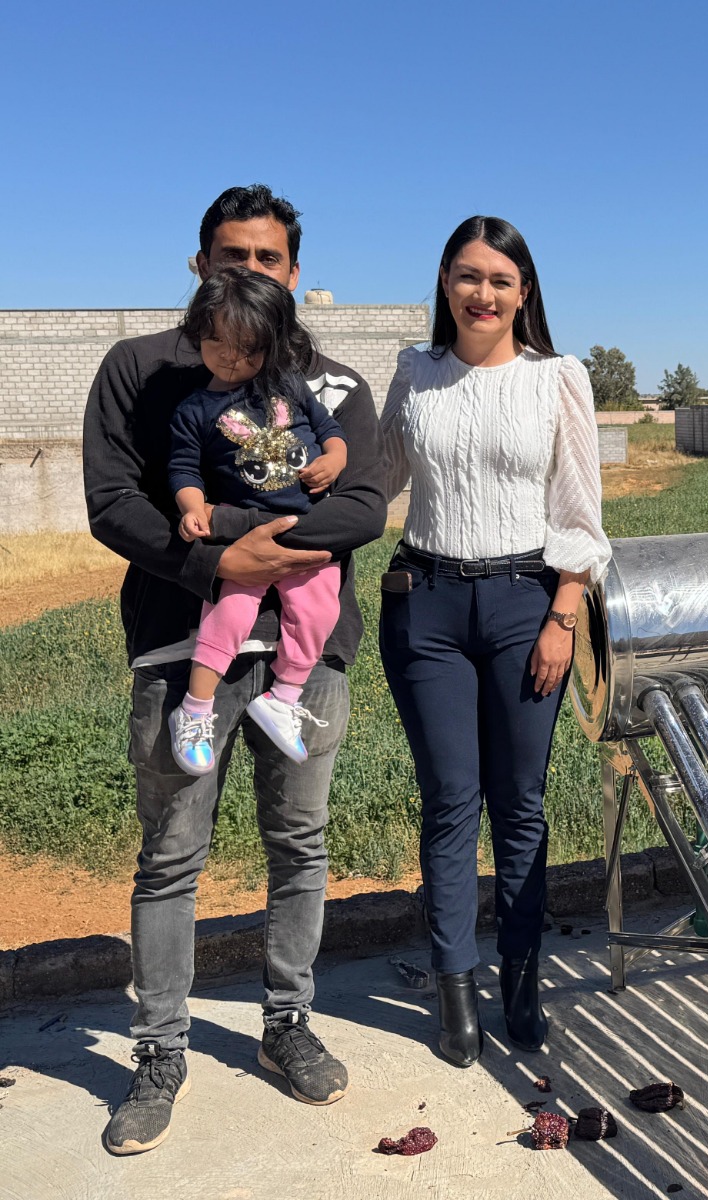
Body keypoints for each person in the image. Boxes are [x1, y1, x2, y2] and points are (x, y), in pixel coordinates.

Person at [84, 185, 386, 1155]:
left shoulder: (332, 386)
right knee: (172, 855)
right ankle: (160, 1049)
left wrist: (254, 545)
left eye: (266, 260)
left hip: (307, 653)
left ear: (293, 275)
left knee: (299, 843)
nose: (247, 273)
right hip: (184, 650)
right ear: (198, 264)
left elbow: (365, 505)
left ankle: (287, 1024)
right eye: (229, 256)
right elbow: (113, 503)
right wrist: (214, 565)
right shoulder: (144, 369)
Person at [379, 215, 610, 1067]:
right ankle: (455, 992)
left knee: (520, 807)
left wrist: (564, 614)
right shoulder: (415, 373)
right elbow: (380, 475)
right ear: (445, 282)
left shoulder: (559, 379)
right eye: (468, 276)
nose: (483, 294)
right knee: (449, 804)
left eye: (501, 280)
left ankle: (521, 981)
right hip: (427, 606)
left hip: (525, 607)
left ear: (524, 292)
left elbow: (578, 511)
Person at [167, 268, 348, 774]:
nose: (232, 356)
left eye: (248, 347)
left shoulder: (289, 386)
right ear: (197, 332)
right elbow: (182, 469)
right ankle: (195, 709)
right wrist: (192, 506)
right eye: (218, 341)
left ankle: (283, 698)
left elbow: (328, 428)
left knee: (318, 612)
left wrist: (335, 457)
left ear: (271, 345)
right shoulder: (194, 409)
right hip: (242, 535)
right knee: (228, 615)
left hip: (303, 532)